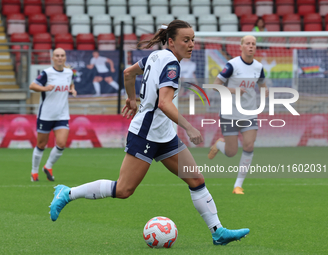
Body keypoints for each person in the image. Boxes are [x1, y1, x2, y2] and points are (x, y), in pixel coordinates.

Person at [49, 20, 250, 246]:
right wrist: (189, 127)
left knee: (196, 179)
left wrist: (131, 98)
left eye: (193, 39)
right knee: (124, 189)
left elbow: (128, 73)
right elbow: (164, 103)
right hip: (145, 134)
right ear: (171, 41)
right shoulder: (172, 65)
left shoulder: (156, 57)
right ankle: (67, 193)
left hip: (164, 135)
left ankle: (218, 231)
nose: (191, 44)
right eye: (186, 40)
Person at [208, 35, 269, 195]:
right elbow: (215, 86)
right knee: (231, 152)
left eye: (253, 44)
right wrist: (233, 90)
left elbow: (262, 85)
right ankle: (218, 145)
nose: (251, 46)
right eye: (247, 43)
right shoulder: (232, 65)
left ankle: (238, 185)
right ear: (241, 46)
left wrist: (265, 92)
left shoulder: (259, 67)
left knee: (249, 145)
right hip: (230, 113)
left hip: (249, 113)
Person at [29, 48, 77, 182]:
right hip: (46, 115)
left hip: (62, 115)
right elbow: (32, 86)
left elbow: (71, 84)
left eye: (62, 55)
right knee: (41, 145)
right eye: (57, 56)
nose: (60, 58)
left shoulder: (69, 73)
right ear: (53, 58)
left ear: (65, 57)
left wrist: (72, 89)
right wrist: (45, 88)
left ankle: (48, 166)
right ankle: (34, 172)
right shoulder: (47, 73)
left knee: (61, 144)